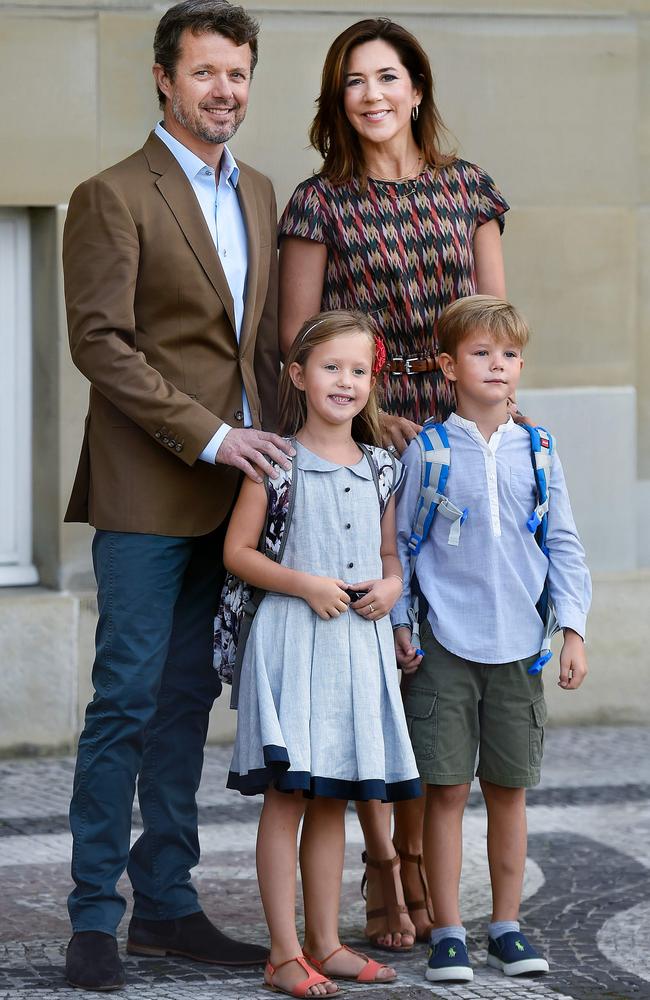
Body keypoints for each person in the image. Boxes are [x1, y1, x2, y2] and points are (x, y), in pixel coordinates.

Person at [61, 0, 294, 990]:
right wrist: (209, 433)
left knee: (185, 704)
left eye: (236, 73)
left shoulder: (262, 191)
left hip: (237, 496)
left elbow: (264, 344)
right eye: (205, 73)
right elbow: (99, 343)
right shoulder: (111, 194)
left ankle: (166, 905)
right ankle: (89, 921)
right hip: (148, 486)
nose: (223, 91)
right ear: (165, 77)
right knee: (123, 699)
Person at [278, 16, 508, 951]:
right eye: (353, 83)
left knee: (435, 660)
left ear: (417, 88)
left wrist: (489, 438)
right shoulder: (316, 203)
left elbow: (497, 327)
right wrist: (364, 429)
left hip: (453, 449)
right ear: (338, 103)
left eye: (387, 77)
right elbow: (295, 348)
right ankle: (382, 862)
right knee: (373, 652)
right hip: (358, 447)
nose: (372, 95)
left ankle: (418, 864)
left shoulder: (471, 191)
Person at [392, 295, 591, 983]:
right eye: (482, 353)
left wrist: (573, 630)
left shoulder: (539, 451)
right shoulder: (429, 450)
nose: (498, 365)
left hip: (519, 647)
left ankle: (506, 924)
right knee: (444, 792)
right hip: (446, 645)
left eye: (508, 355)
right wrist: (400, 626)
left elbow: (563, 543)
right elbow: (403, 548)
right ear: (449, 366)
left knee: (509, 790)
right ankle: (448, 930)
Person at [224, 310, 422, 997]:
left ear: (374, 380)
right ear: (299, 376)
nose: (345, 381)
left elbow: (392, 557)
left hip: (354, 648)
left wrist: (390, 589)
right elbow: (238, 553)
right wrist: (306, 584)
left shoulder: (383, 468)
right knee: (288, 796)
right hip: (291, 640)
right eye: (331, 368)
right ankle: (283, 954)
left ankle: (326, 942)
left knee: (334, 797)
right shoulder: (275, 463)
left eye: (359, 370)